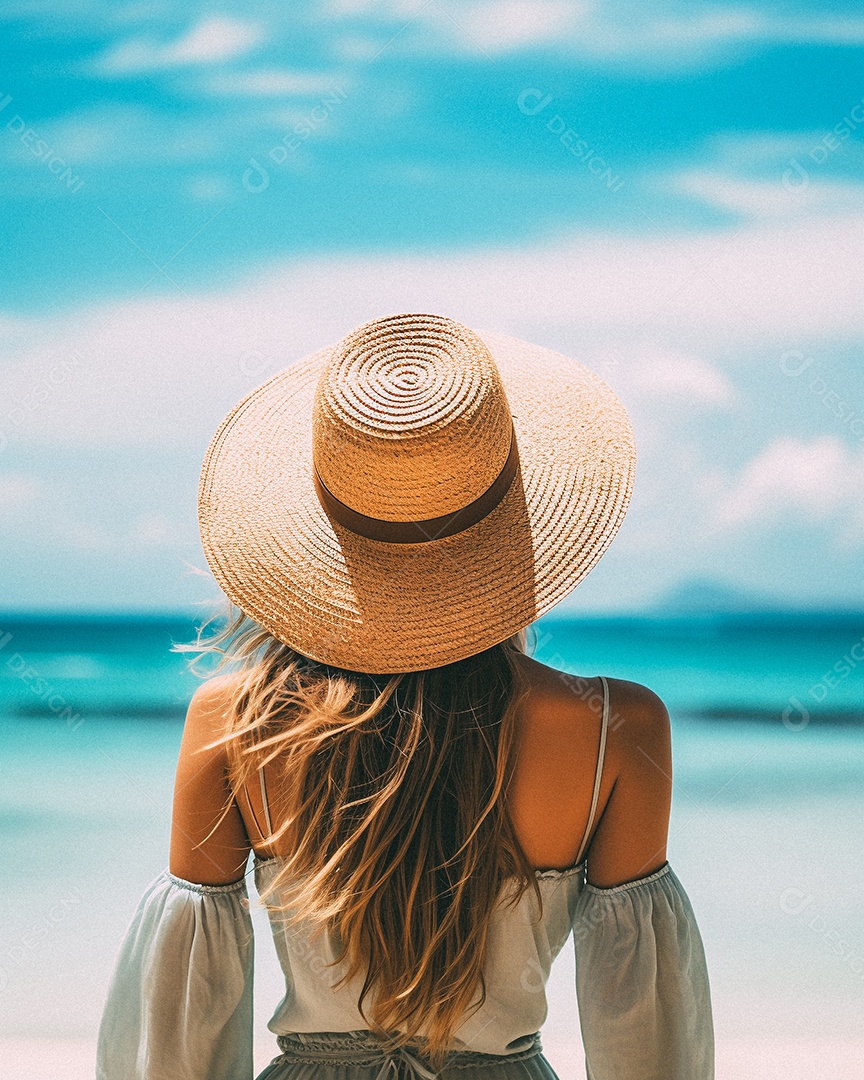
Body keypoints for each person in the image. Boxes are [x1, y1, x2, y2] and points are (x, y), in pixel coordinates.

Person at [97, 313, 714, 1079]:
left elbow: (181, 1033)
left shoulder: (237, 723)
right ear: (515, 518)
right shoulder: (618, 729)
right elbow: (645, 1038)